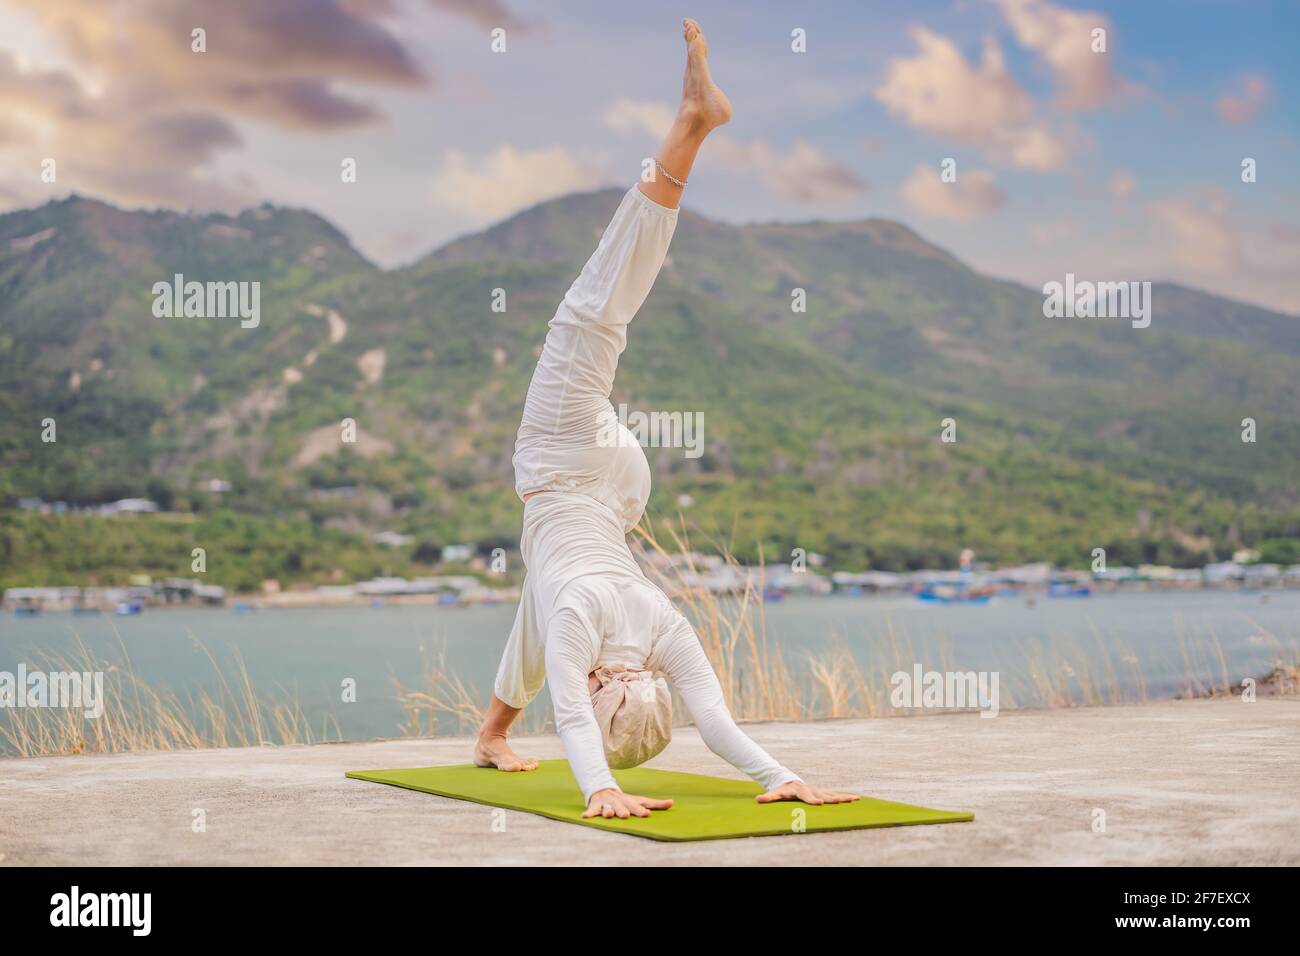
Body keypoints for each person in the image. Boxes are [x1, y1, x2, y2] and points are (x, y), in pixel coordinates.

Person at [474, 18, 859, 821]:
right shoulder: (584, 626)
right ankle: (690, 124)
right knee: (590, 320)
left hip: (619, 494)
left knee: (537, 588)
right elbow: (577, 716)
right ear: (604, 683)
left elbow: (712, 721)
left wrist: (778, 775)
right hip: (564, 470)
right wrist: (600, 788)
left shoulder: (655, 624)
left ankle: (490, 733)